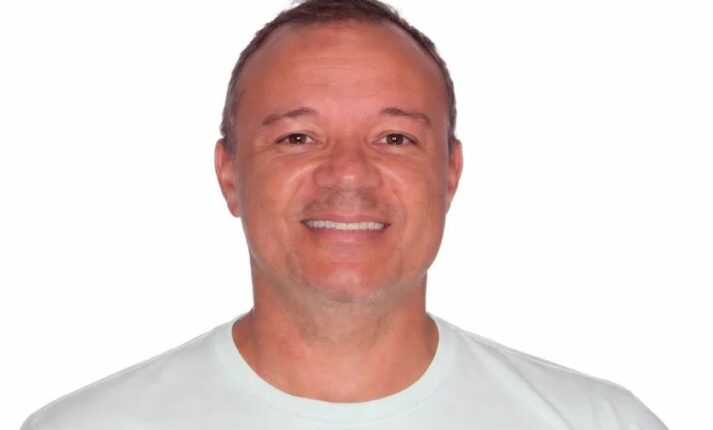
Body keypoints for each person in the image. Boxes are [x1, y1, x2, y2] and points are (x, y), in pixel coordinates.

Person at [21, 0, 667, 428]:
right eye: (298, 137)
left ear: (449, 174)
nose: (349, 173)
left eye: (395, 138)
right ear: (230, 175)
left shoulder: (599, 423)